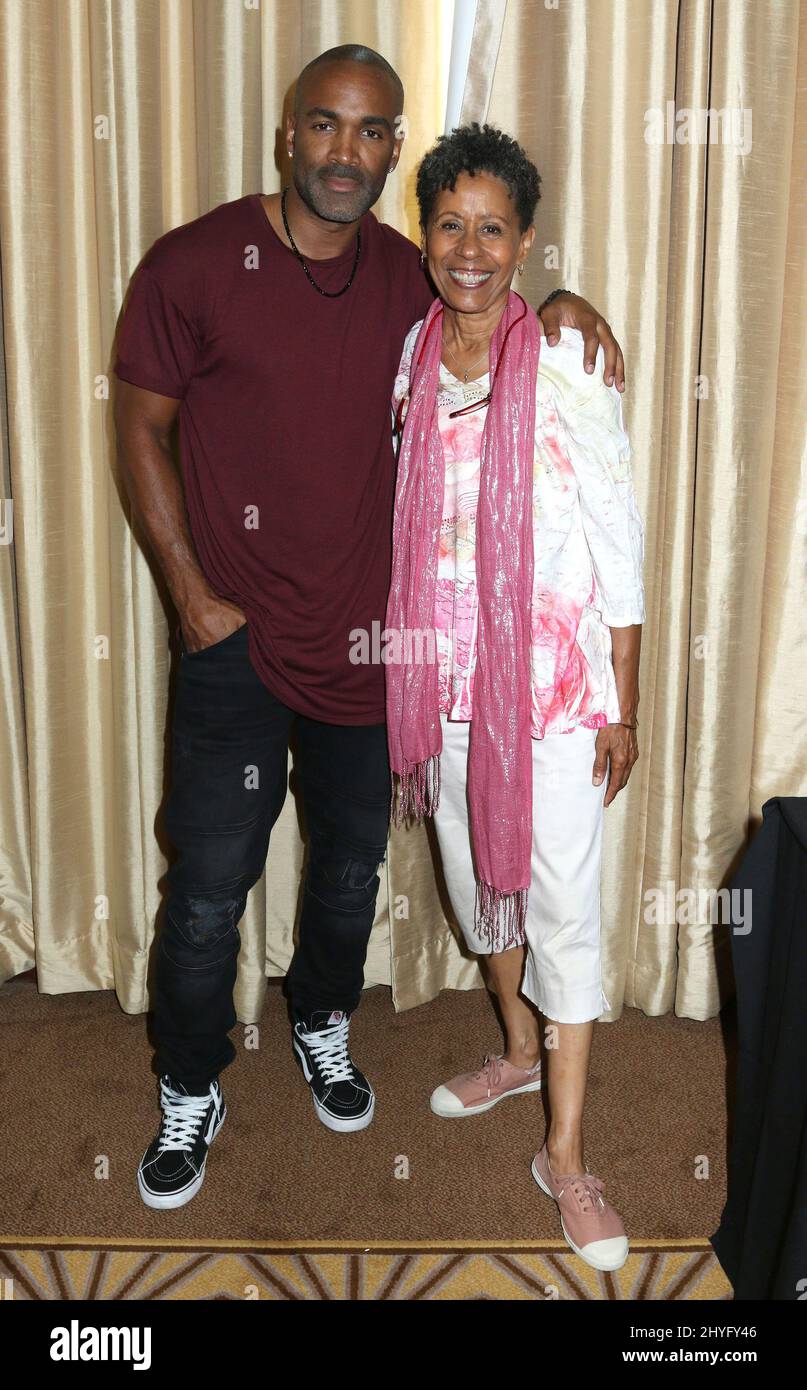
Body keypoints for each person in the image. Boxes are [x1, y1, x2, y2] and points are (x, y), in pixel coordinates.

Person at [113, 43, 628, 1210]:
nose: (346, 151)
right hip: (234, 647)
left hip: (374, 653)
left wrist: (560, 303)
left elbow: (492, 307)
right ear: (288, 133)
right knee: (207, 889)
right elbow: (139, 429)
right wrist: (191, 596)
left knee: (348, 874)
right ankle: (191, 1081)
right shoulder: (195, 263)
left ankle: (324, 1021)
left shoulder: (413, 274)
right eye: (326, 126)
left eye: (371, 132)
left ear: (394, 151)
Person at [386, 123, 645, 1270]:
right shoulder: (412, 354)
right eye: (451, 223)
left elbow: (617, 533)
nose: (472, 246)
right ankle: (519, 1047)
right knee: (476, 886)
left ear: (526, 239)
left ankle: (569, 1156)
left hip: (551, 695)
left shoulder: (572, 360)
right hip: (442, 689)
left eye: (496, 226)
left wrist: (625, 702)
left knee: (564, 914)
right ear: (424, 231)